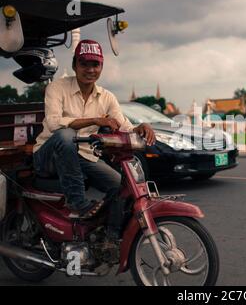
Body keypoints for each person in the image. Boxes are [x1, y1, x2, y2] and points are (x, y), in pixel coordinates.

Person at [33, 39, 156, 219]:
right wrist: (95, 120)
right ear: (74, 65)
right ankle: (78, 204)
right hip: (48, 156)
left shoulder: (107, 97)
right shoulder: (57, 87)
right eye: (84, 64)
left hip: (85, 156)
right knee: (66, 135)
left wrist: (141, 127)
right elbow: (53, 123)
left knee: (121, 186)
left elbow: (124, 127)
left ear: (101, 67)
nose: (90, 70)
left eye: (95, 64)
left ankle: (107, 234)